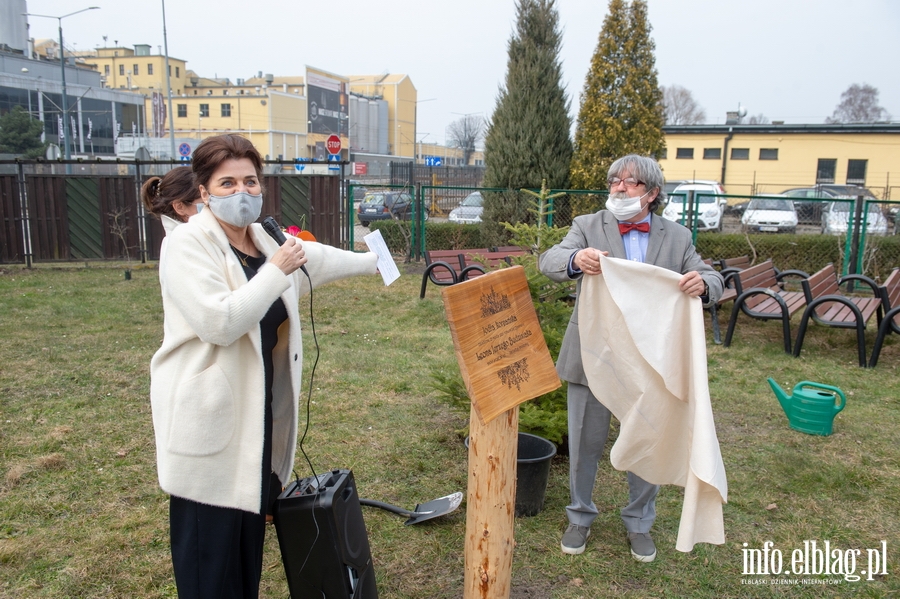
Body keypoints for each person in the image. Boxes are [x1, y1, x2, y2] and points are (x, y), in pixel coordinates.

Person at [149, 134, 378, 598]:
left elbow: (321, 260)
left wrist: (376, 262)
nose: (242, 192)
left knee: (245, 566)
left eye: (250, 181)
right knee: (209, 575)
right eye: (227, 182)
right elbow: (220, 321)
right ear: (204, 190)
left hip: (257, 430)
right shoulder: (188, 245)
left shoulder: (264, 239)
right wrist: (276, 270)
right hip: (209, 432)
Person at [539, 154, 724, 563]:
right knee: (585, 442)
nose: (619, 188)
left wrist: (704, 283)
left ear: (652, 193)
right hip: (594, 354)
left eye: (630, 182)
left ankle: (640, 521)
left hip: (652, 362)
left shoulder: (677, 237)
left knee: (649, 439)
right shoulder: (588, 226)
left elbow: (713, 278)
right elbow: (549, 261)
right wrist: (575, 260)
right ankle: (579, 516)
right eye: (614, 181)